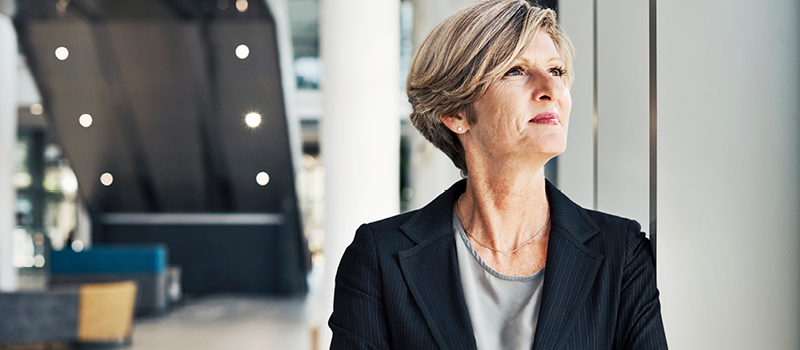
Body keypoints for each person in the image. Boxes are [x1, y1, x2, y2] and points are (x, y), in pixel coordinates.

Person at [329, 0, 668, 349]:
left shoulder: (621, 252)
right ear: (455, 111)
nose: (550, 90)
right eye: (516, 71)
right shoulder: (379, 258)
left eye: (556, 71)